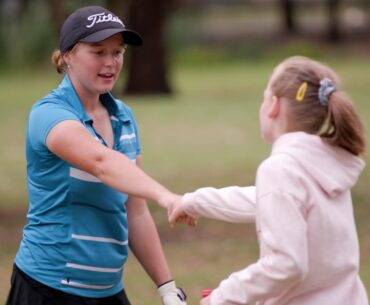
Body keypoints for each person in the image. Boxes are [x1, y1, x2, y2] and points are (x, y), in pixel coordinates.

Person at [6, 5, 188, 305]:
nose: (111, 63)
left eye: (118, 52)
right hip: (49, 288)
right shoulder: (50, 114)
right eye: (98, 51)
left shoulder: (123, 117)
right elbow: (102, 163)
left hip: (108, 291)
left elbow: (135, 211)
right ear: (67, 55)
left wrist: (167, 289)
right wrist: (166, 196)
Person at [169, 56, 368, 305]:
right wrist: (193, 201)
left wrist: (221, 297)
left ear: (273, 105)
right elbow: (265, 200)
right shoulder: (324, 166)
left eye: (264, 97)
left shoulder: (280, 169)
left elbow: (287, 264)